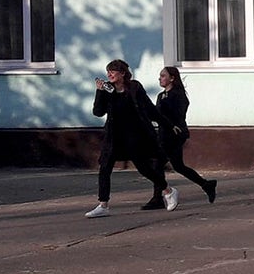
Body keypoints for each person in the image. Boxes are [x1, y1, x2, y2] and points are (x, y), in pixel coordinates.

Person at [86, 59, 169, 218]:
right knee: (105, 167)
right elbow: (98, 112)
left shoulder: (134, 87)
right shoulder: (107, 90)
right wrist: (100, 91)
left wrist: (168, 125)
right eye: (108, 71)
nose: (109, 74)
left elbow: (150, 109)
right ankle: (103, 205)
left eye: (113, 71)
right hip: (114, 136)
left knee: (143, 168)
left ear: (123, 73)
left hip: (135, 136)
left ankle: (167, 190)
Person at [155, 66, 217, 207]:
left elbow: (177, 114)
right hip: (163, 135)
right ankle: (206, 184)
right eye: (160, 76)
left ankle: (161, 196)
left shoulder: (178, 95)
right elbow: (157, 115)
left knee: (157, 165)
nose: (160, 78)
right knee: (178, 166)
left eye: (163, 76)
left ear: (172, 78)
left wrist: (170, 124)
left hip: (175, 135)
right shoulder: (161, 95)